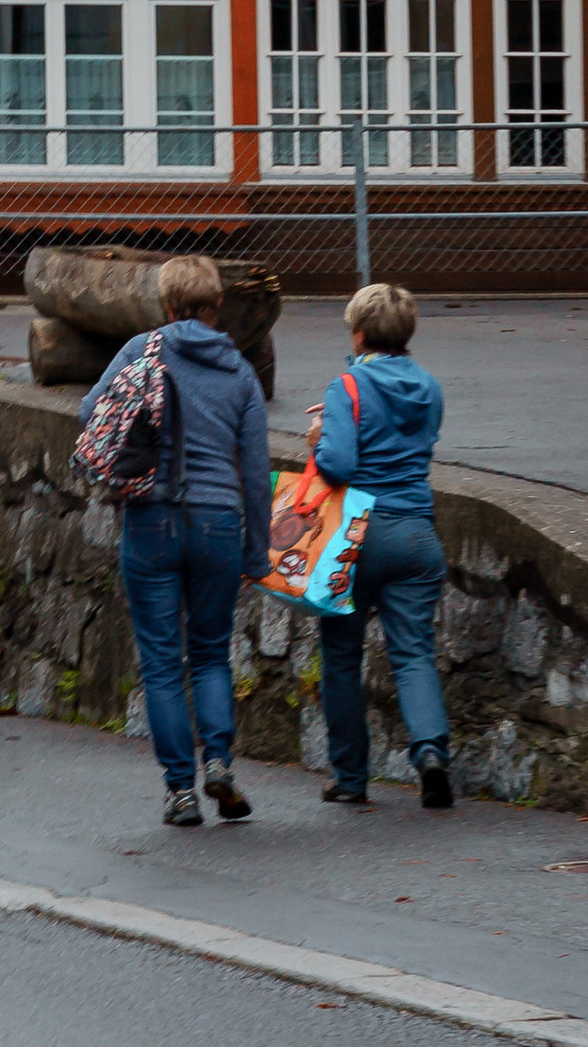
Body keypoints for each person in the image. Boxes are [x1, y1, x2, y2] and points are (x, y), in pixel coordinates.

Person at [83, 256, 269, 829]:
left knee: (163, 663)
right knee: (211, 652)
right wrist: (257, 549)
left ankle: (179, 792)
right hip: (218, 522)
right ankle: (219, 762)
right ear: (217, 307)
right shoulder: (239, 371)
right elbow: (256, 471)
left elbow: (94, 411)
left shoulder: (143, 350)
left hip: (152, 518)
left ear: (165, 305)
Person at [311, 277, 454, 811]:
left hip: (357, 535)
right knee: (414, 651)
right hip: (416, 534)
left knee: (342, 656)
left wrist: (320, 439)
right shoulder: (430, 388)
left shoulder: (346, 387)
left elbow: (340, 463)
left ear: (361, 334)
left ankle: (350, 777)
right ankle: (431, 755)